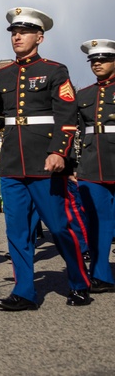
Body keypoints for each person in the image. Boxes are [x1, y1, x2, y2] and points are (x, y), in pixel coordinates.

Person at [0, 7, 91, 311]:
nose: (17, 36)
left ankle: (80, 282)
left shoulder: (55, 71)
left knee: (58, 227)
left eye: (24, 31)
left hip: (46, 160)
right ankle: (25, 291)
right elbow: (5, 118)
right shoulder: (0, 75)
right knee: (16, 230)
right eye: (14, 32)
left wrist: (59, 151)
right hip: (13, 162)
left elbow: (67, 116)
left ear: (39, 37)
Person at [75, 39, 115, 294]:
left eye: (103, 59)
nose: (97, 63)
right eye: (93, 60)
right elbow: (72, 130)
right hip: (92, 165)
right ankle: (101, 275)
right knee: (96, 222)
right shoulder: (84, 95)